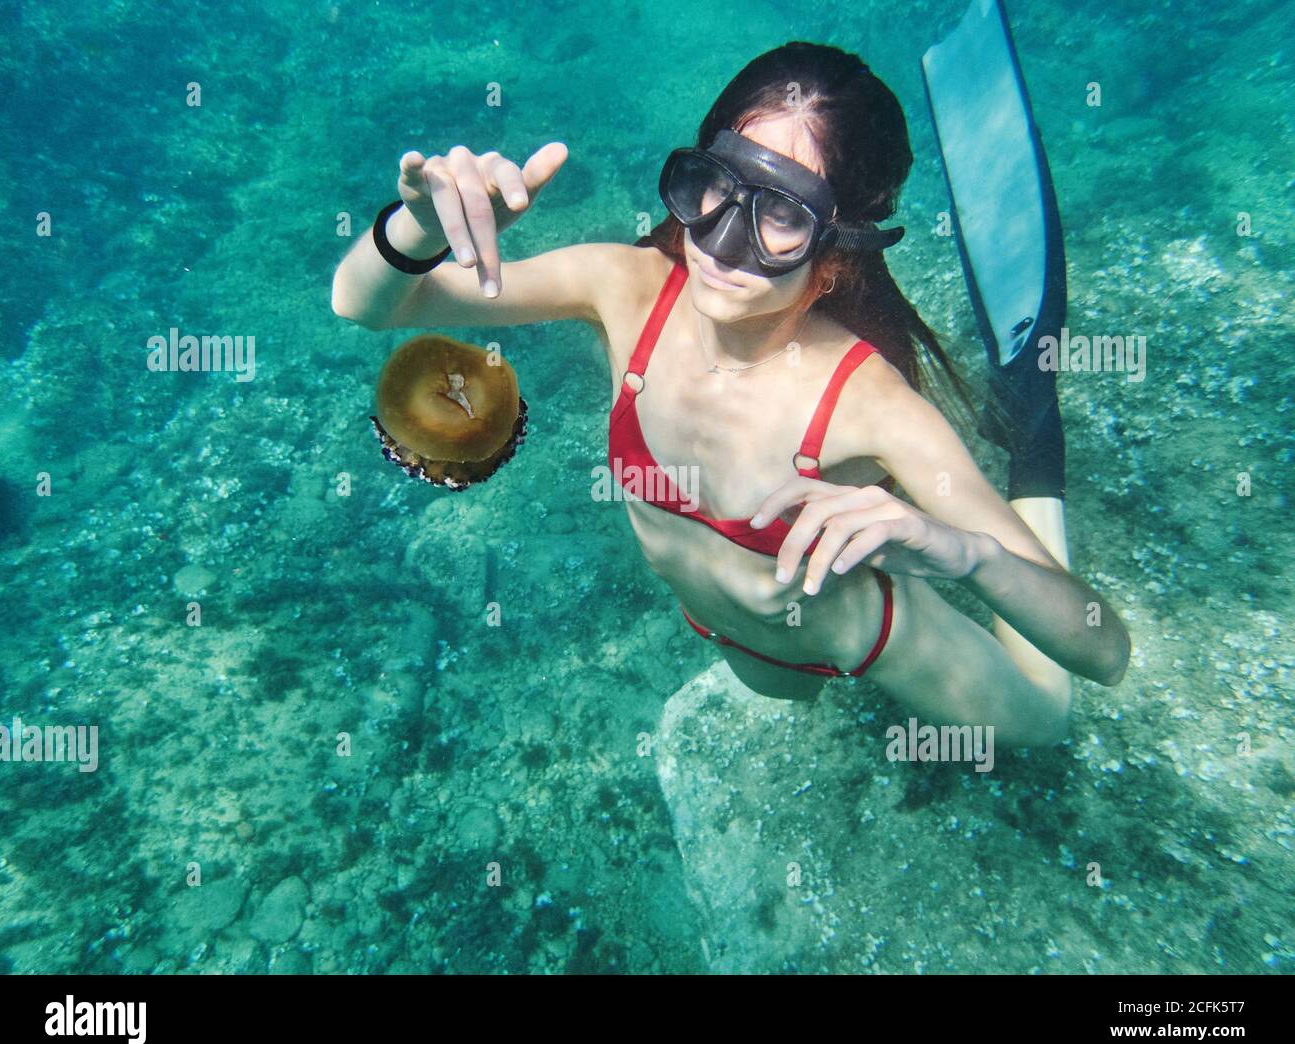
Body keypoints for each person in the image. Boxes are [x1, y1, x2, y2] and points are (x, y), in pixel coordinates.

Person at [331, 42, 1130, 747]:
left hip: (867, 636)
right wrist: (416, 228)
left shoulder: (873, 406)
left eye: (781, 212)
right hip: (729, 633)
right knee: (783, 692)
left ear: (840, 255)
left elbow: (1102, 652)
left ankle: (1034, 436)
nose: (719, 241)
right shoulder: (628, 290)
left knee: (1045, 719)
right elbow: (367, 305)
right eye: (717, 185)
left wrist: (968, 554)